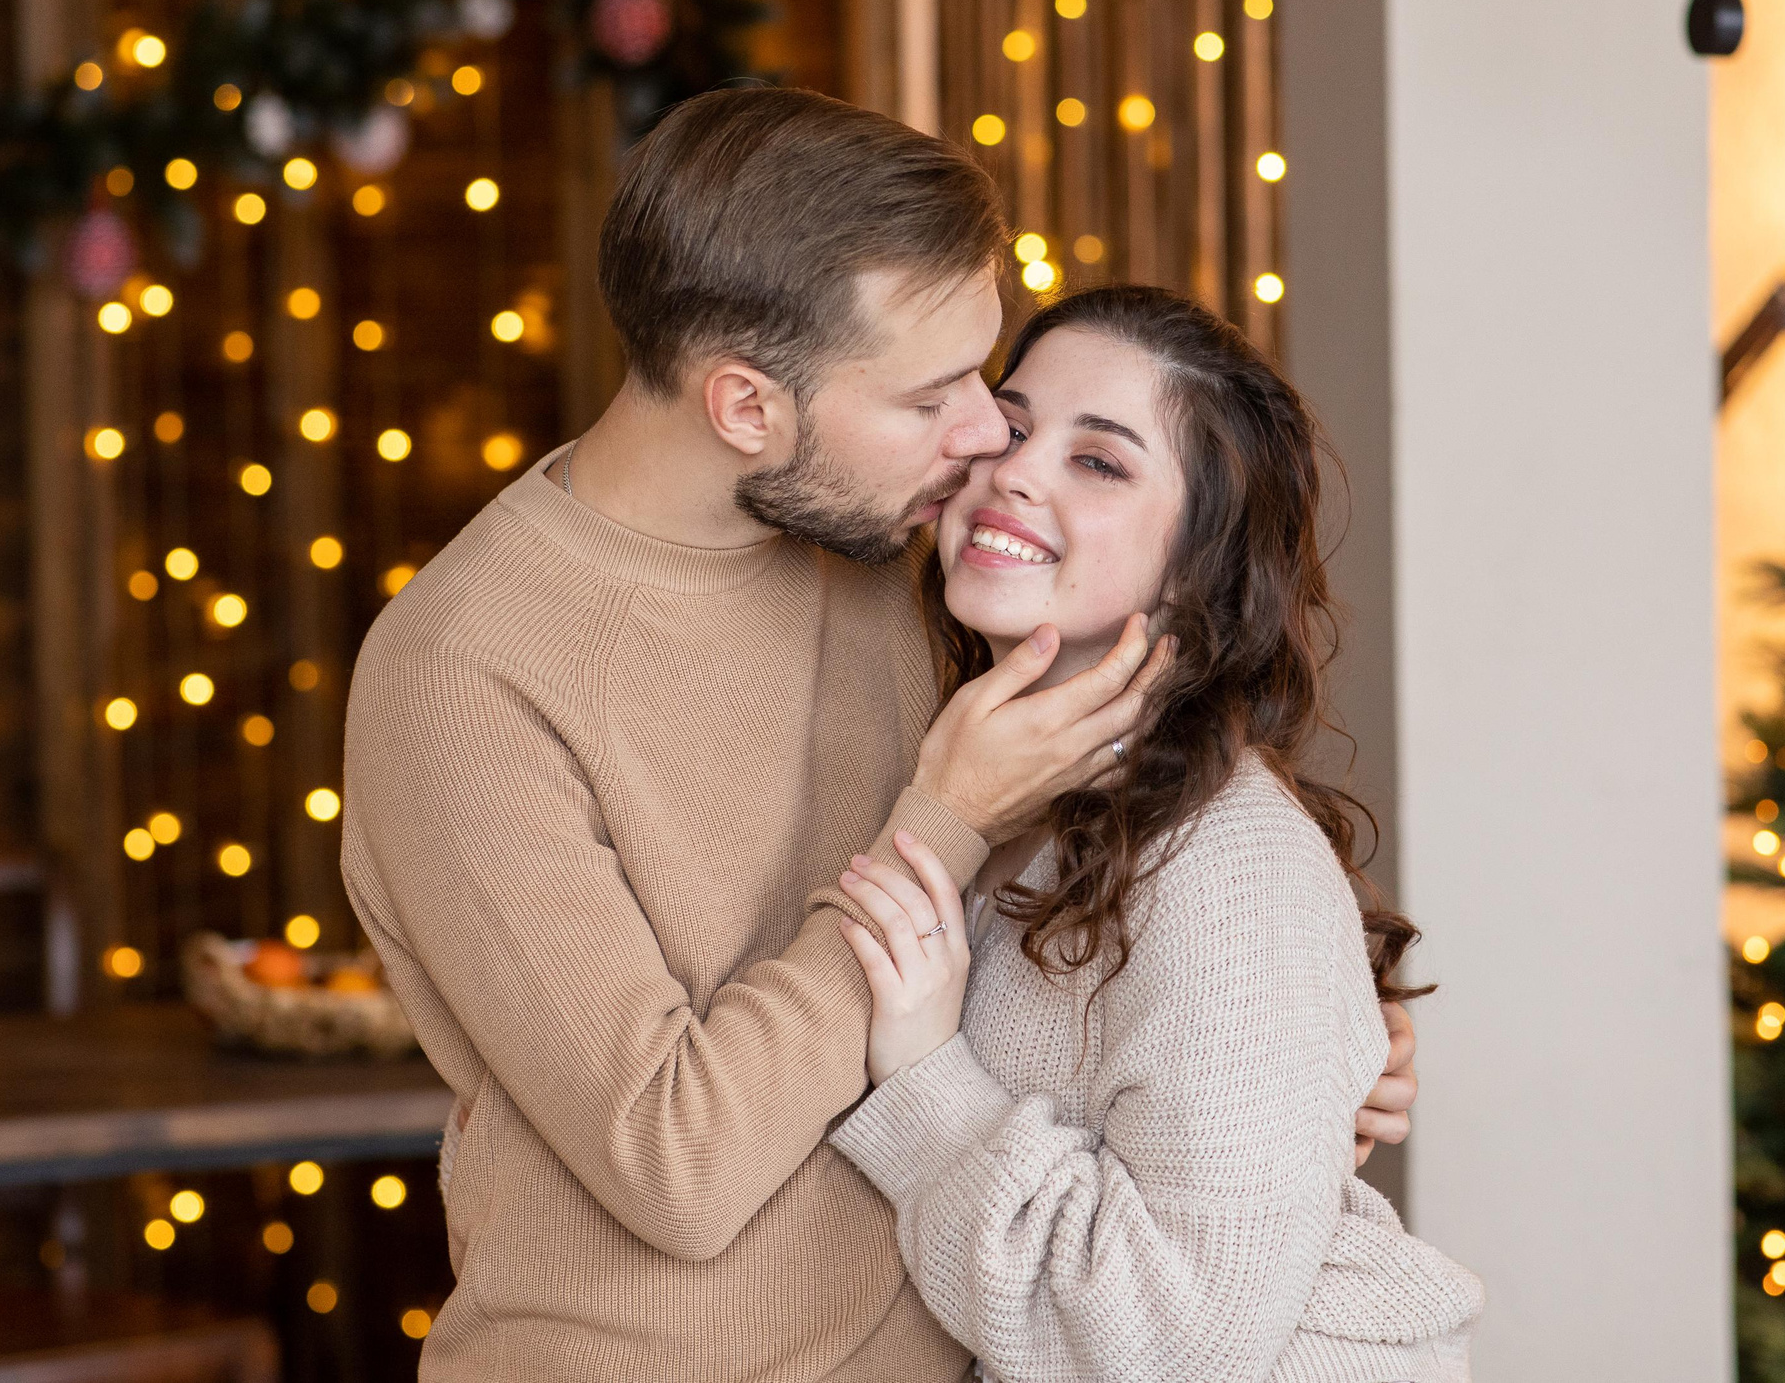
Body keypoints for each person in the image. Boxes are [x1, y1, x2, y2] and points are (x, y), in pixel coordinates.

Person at [340, 87, 1415, 1381]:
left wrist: (1301, 1044)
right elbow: (678, 1164)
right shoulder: (464, 671)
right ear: (747, 406)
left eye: (986, 370)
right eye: (932, 395)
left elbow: (1088, 927)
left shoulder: (886, 548)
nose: (985, 433)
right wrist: (937, 819)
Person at [827, 287, 1481, 1382]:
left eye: (1102, 461)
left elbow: (1178, 1343)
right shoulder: (988, 792)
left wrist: (924, 1078)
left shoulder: (1229, 870)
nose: (1017, 470)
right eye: (1017, 424)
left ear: (1199, 562)